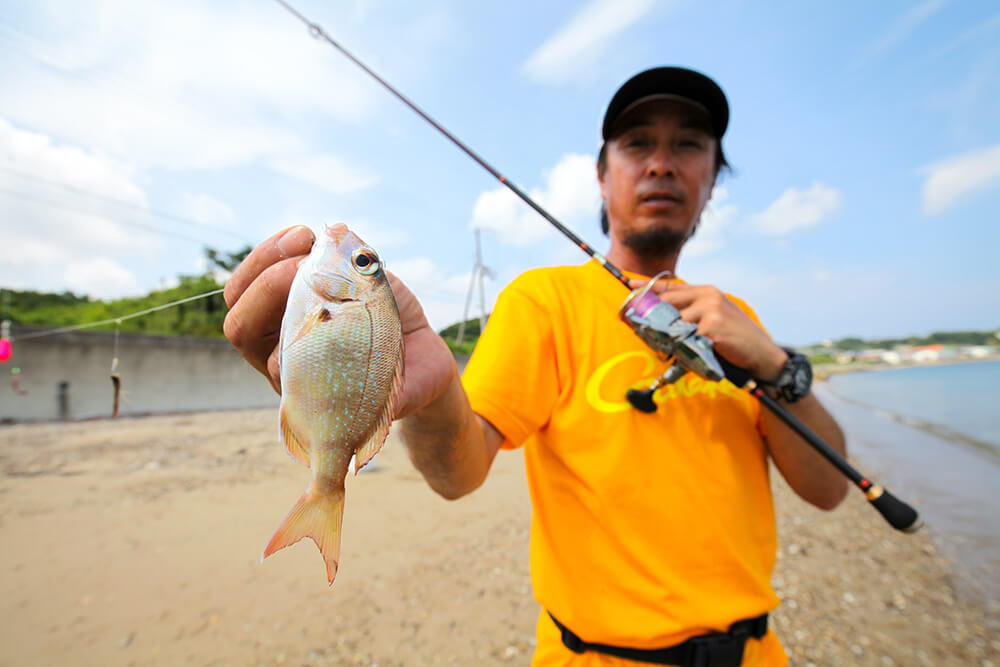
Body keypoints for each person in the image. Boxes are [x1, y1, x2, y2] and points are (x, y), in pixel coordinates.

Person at [224, 66, 847, 667]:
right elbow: (459, 473)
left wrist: (774, 362)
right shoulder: (544, 300)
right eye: (637, 145)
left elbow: (827, 489)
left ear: (713, 179)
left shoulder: (736, 317)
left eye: (688, 145)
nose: (662, 162)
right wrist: (436, 396)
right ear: (603, 178)